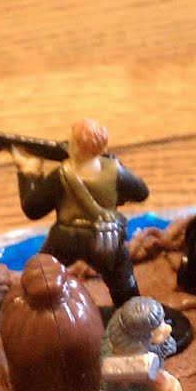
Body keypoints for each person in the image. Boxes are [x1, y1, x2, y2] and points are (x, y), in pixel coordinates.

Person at [12, 119, 150, 306]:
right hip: (104, 238)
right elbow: (141, 193)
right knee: (123, 279)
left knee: (41, 273)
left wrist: (29, 171)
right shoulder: (115, 170)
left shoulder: (60, 175)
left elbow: (33, 209)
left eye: (70, 140)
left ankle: (29, 312)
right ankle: (134, 314)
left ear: (76, 147)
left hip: (65, 238)